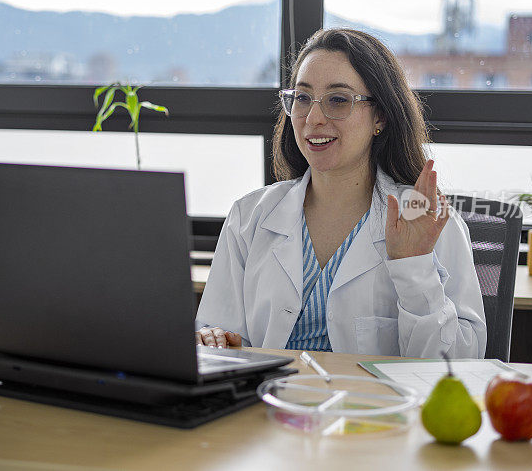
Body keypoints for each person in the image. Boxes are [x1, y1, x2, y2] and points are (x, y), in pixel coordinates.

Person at [195, 28, 487, 359]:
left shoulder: (426, 220)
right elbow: (219, 341)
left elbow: (457, 369)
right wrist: (215, 341)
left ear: (380, 116)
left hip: (376, 409)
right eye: (302, 99)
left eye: (338, 100)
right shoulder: (250, 217)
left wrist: (414, 267)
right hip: (270, 405)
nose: (313, 118)